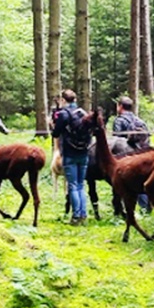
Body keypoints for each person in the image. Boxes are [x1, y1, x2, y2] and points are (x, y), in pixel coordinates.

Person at [51, 89, 90, 225]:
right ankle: (83, 214)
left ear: (63, 100)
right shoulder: (83, 113)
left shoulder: (64, 114)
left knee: (72, 186)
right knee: (81, 185)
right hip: (84, 153)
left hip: (69, 154)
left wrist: (54, 126)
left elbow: (55, 133)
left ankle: (76, 216)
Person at [113, 96, 150, 210]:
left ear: (120, 106)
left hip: (127, 157)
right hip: (142, 154)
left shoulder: (119, 121)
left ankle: (121, 207)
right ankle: (145, 207)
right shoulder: (140, 121)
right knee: (141, 180)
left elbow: (116, 141)